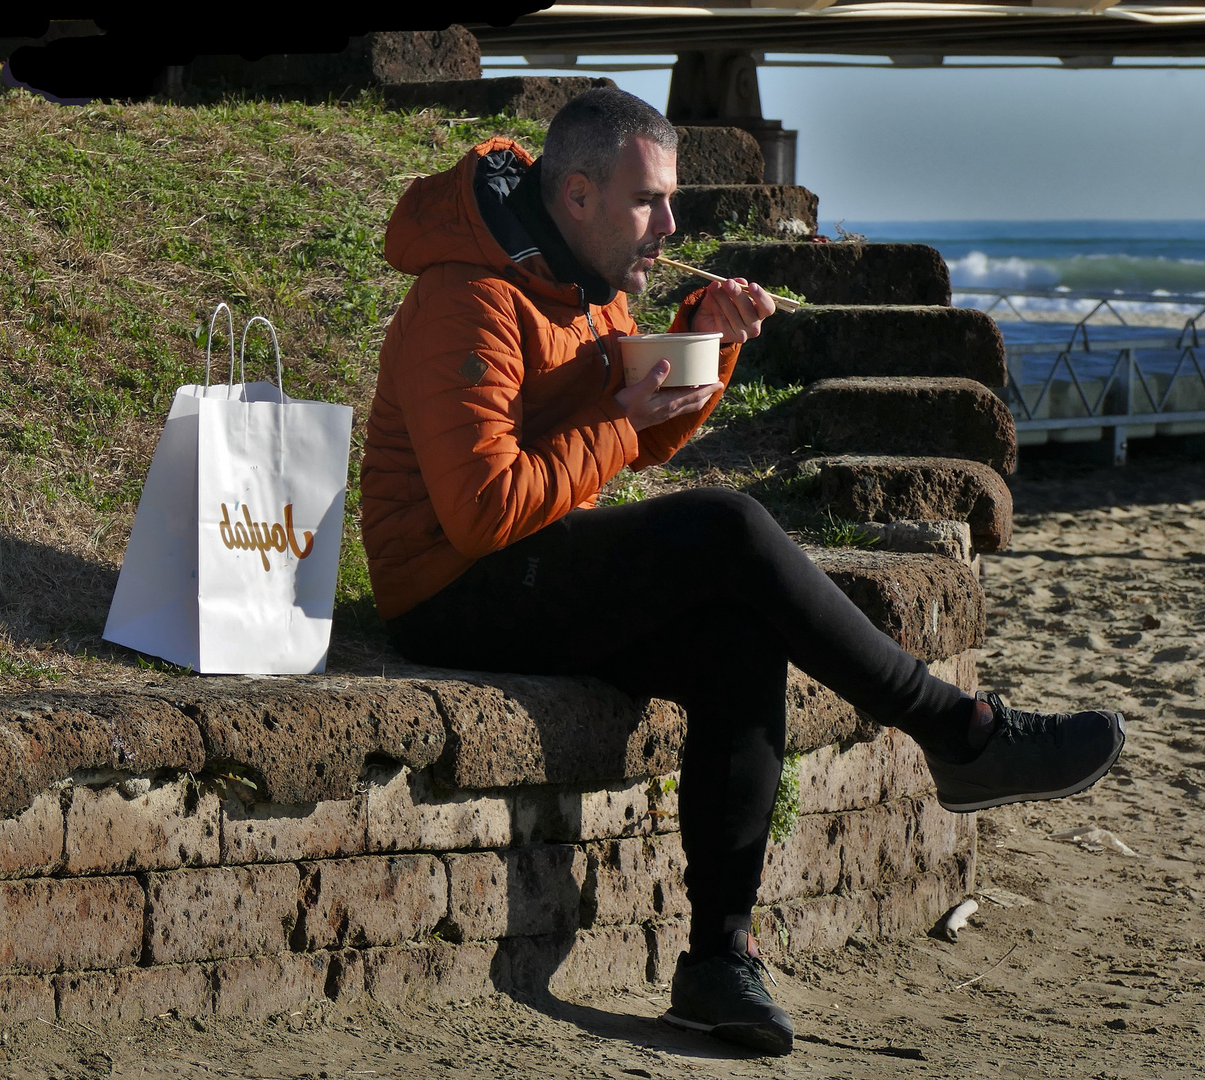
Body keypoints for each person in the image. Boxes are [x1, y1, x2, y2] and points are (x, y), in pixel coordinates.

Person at [360, 87, 1124, 1056]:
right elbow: (480, 512)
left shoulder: (580, 279)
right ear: (580, 195)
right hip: (446, 587)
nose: (669, 224)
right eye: (649, 202)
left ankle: (717, 959)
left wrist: (706, 344)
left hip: (529, 560)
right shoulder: (464, 298)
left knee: (738, 634)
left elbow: (635, 446)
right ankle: (958, 732)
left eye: (670, 201)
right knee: (728, 528)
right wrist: (620, 420)